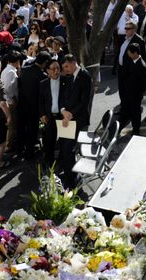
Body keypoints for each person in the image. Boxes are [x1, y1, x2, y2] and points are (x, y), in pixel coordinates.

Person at [60, 54, 93, 189]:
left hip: (78, 120)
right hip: (68, 118)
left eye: (67, 66)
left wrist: (70, 114)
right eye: (64, 67)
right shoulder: (70, 76)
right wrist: (63, 111)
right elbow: (65, 96)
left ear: (74, 63)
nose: (65, 69)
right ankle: (69, 175)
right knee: (64, 148)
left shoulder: (85, 76)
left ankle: (71, 180)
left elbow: (84, 102)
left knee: (69, 149)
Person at [17, 51, 50, 160]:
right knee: (32, 129)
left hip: (22, 104)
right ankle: (29, 152)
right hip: (34, 107)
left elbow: (20, 85)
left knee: (22, 128)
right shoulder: (43, 75)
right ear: (45, 63)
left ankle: (20, 149)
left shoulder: (24, 70)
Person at [39, 59, 67, 165]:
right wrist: (42, 115)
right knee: (49, 141)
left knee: (65, 141)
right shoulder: (43, 84)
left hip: (63, 117)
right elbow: (41, 101)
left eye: (58, 68)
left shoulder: (66, 81)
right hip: (49, 118)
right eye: (53, 69)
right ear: (47, 71)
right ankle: (49, 163)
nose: (56, 71)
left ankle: (63, 162)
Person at [118, 43, 146, 135]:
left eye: (129, 53)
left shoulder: (141, 65)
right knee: (126, 112)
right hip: (128, 93)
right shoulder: (132, 61)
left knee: (135, 113)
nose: (128, 54)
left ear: (135, 53)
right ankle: (118, 129)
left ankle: (136, 130)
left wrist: (138, 94)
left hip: (135, 95)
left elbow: (144, 83)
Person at [118, 21, 145, 107]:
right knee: (122, 91)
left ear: (134, 29)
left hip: (130, 71)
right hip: (121, 69)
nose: (126, 30)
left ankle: (128, 111)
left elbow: (141, 56)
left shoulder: (139, 40)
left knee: (129, 92)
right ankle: (123, 108)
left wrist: (132, 70)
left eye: (128, 28)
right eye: (125, 28)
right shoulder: (124, 38)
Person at [0, 51, 22, 153]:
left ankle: (9, 144)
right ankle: (9, 145)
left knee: (11, 124)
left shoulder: (5, 70)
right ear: (17, 61)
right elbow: (9, 88)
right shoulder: (11, 72)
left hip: (7, 100)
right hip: (11, 101)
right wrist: (14, 98)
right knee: (12, 124)